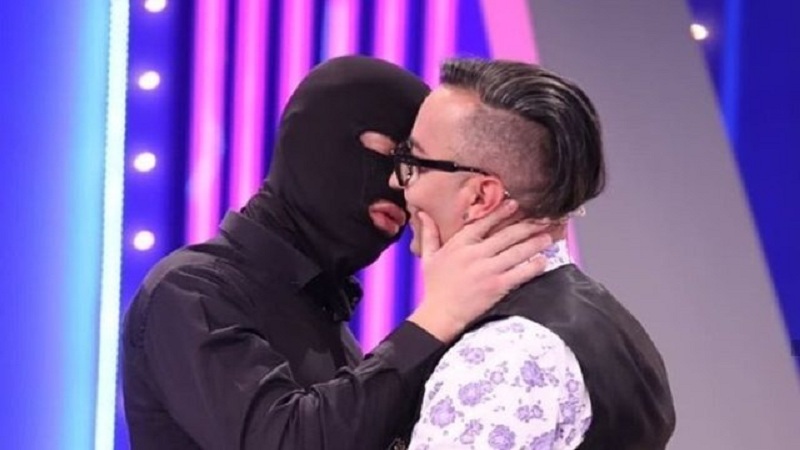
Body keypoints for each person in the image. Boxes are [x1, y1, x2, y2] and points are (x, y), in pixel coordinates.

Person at [122, 55, 554, 450]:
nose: (399, 186)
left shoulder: (326, 322)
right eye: (383, 154)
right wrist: (437, 317)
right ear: (312, 144)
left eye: (412, 169)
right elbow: (285, 440)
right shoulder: (192, 291)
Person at [390, 58, 676, 449]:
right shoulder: (610, 323)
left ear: (480, 197)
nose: (399, 182)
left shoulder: (500, 357)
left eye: (415, 163)